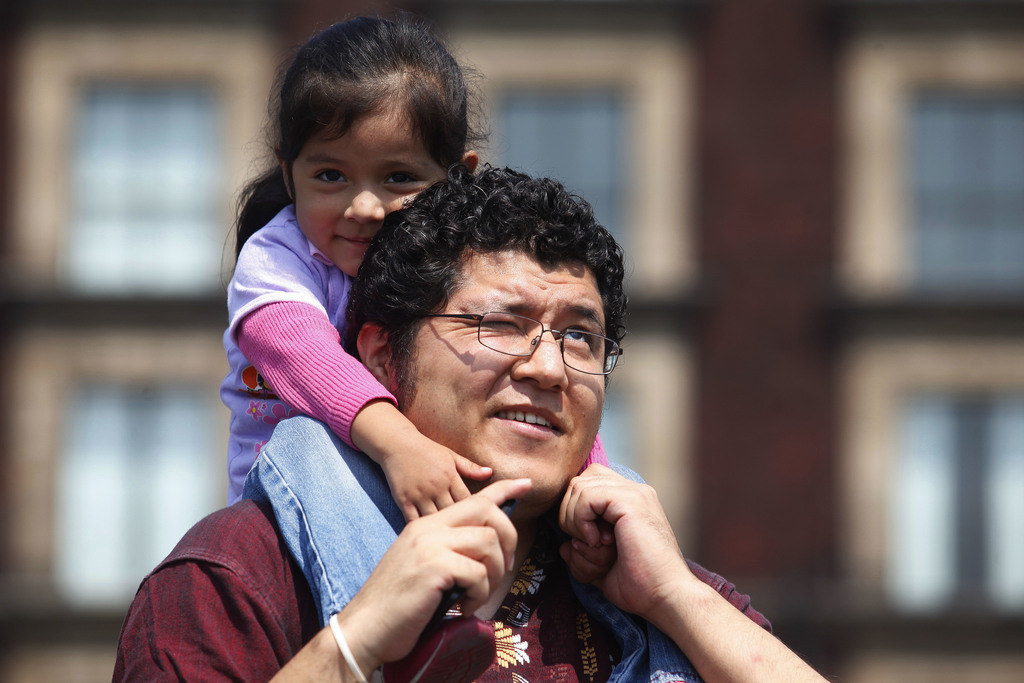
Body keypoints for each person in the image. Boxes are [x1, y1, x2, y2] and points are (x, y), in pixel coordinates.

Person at [115, 166, 826, 682]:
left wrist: (676, 596)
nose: (549, 368)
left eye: (580, 337)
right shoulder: (237, 577)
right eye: (500, 324)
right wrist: (355, 643)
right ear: (381, 357)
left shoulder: (654, 586)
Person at [221, 15, 609, 518]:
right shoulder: (277, 260)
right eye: (330, 175)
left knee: (617, 487)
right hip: (299, 503)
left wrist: (588, 473)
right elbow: (305, 356)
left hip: (418, 478)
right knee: (306, 442)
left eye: (399, 177)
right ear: (288, 176)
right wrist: (399, 445)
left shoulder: (465, 267)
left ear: (458, 179)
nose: (364, 207)